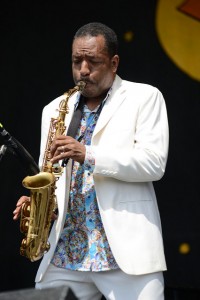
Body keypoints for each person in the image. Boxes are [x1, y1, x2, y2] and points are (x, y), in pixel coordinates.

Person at [13, 22, 169, 300]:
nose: (83, 70)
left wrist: (88, 154)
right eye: (77, 61)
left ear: (114, 62)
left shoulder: (144, 97)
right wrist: (41, 203)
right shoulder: (52, 110)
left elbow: (153, 163)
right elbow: (49, 175)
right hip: (66, 253)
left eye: (93, 61)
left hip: (125, 255)